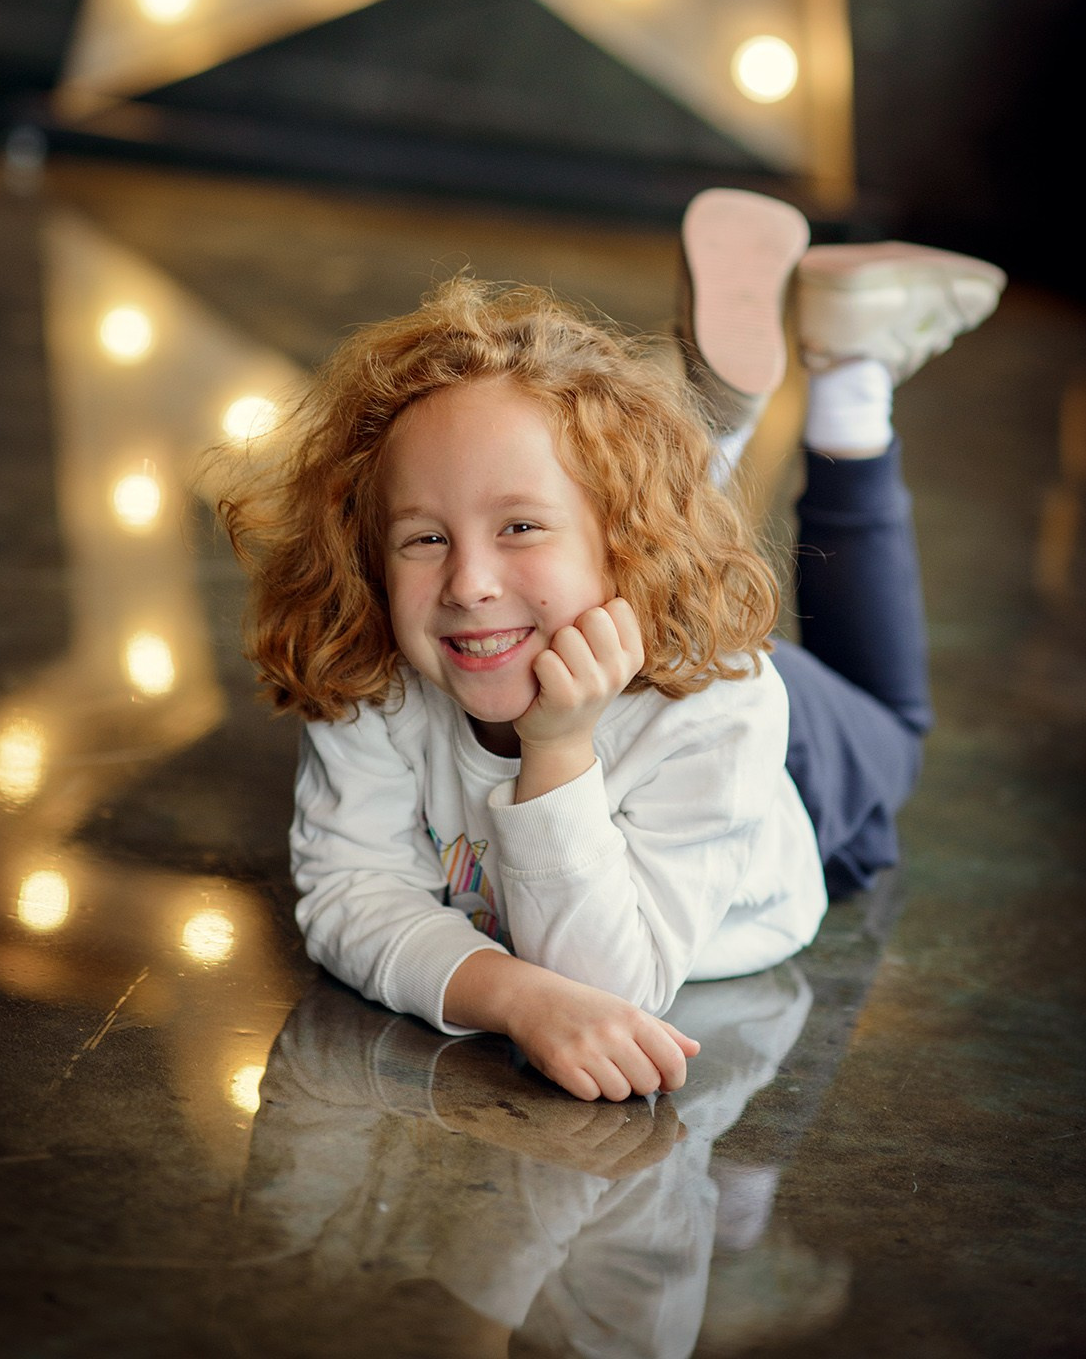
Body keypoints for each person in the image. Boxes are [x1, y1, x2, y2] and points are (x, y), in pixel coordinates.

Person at [219, 188, 1004, 1104]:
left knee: (896, 741)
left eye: (517, 526)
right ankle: (708, 426)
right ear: (371, 554)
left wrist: (554, 751)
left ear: (625, 552)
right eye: (423, 538)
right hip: (592, 629)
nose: (465, 582)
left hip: (744, 727)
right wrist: (513, 997)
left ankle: (849, 383)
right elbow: (351, 896)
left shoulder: (722, 709)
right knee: (611, 539)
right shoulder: (379, 669)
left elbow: (610, 989)